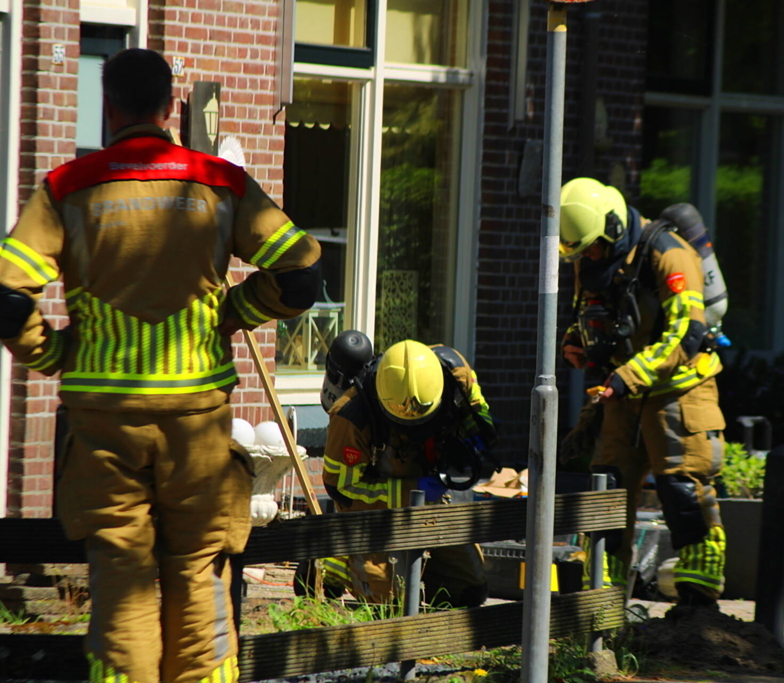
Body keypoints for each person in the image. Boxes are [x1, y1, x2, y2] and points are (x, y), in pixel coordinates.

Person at [0, 49, 321, 683]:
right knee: (199, 577)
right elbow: (304, 274)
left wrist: (53, 353)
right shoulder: (220, 183)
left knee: (121, 582)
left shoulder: (68, 188)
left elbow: (10, 298)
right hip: (197, 427)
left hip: (105, 430)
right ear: (171, 108)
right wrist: (234, 312)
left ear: (109, 108)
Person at [558, 177, 727, 607]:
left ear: (613, 227)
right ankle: (601, 598)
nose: (589, 258)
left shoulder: (669, 253)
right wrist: (575, 343)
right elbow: (592, 315)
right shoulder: (592, 257)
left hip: (679, 392)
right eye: (581, 252)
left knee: (683, 489)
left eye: (593, 248)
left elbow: (685, 334)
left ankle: (698, 610)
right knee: (608, 491)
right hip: (623, 394)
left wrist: (625, 377)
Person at [320, 339, 497, 608]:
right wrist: (411, 490)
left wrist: (477, 435)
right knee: (389, 603)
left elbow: (477, 407)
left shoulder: (456, 373)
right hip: (379, 516)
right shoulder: (351, 416)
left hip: (434, 498)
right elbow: (342, 489)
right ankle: (329, 562)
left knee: (468, 592)